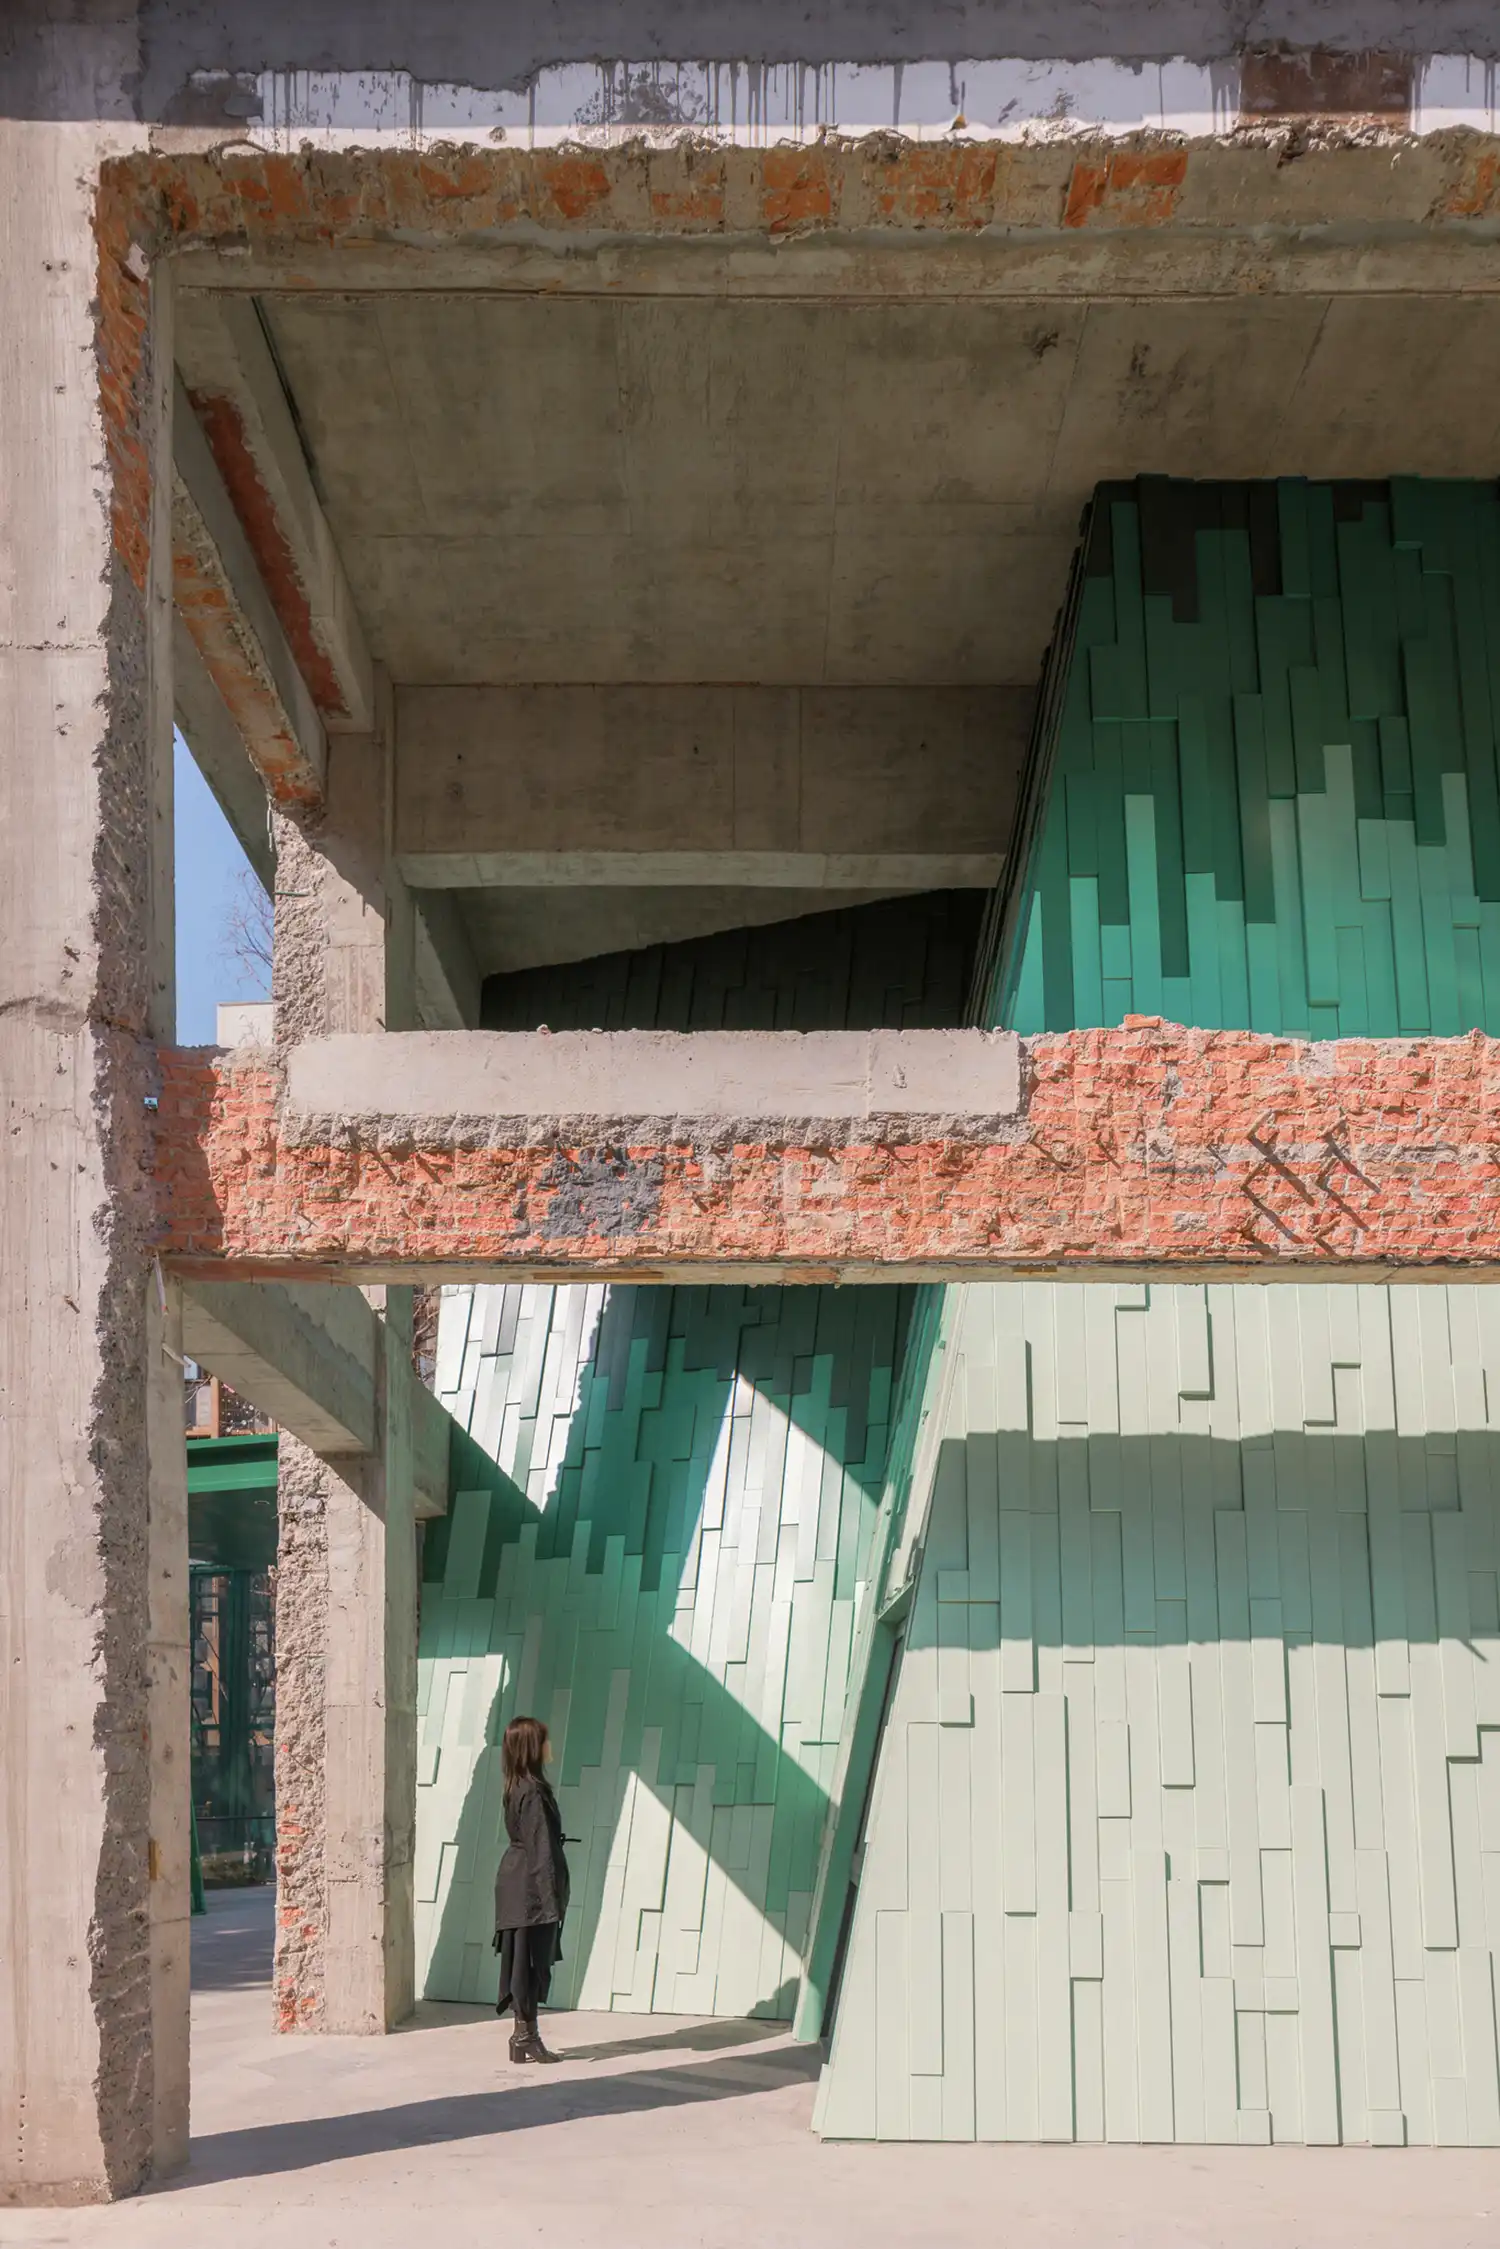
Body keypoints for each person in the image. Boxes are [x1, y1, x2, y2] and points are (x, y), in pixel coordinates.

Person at [492, 1713, 570, 2064]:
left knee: (523, 1960)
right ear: (532, 1747)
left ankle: (522, 2035)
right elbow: (541, 1848)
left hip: (517, 1881)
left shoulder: (516, 1786)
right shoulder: (534, 1792)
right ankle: (526, 2035)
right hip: (528, 1887)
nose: (549, 1746)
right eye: (544, 1740)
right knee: (529, 1961)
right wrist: (551, 1897)